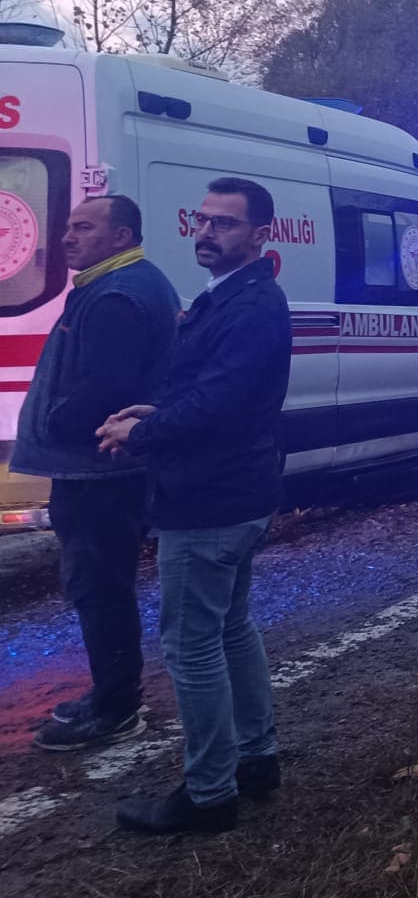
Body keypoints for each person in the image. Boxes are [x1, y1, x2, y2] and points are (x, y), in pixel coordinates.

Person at [97, 177, 293, 834]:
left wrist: (145, 433)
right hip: (233, 489)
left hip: (211, 500)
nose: (207, 234)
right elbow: (211, 393)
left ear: (261, 233)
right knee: (231, 628)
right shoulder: (232, 297)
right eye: (203, 221)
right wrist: (157, 413)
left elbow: (221, 405)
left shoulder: (252, 305)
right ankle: (256, 758)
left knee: (191, 643)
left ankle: (209, 792)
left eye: (226, 224)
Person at [15, 195, 180, 753]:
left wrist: (58, 423)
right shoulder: (117, 284)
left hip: (99, 474)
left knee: (99, 588)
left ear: (121, 236)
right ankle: (114, 693)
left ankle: (117, 708)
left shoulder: (116, 295)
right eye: (67, 227)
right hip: (98, 471)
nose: (67, 237)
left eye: (84, 228)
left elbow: (105, 388)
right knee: (102, 586)